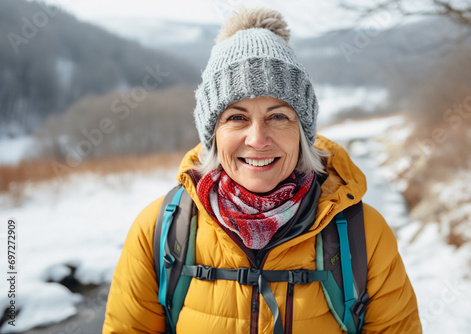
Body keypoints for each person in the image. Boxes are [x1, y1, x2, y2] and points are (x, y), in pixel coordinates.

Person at [103, 7, 421, 334]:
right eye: (237, 117)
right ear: (213, 134)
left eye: (278, 116)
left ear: (303, 131)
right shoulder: (159, 231)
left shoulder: (364, 234)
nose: (257, 140)